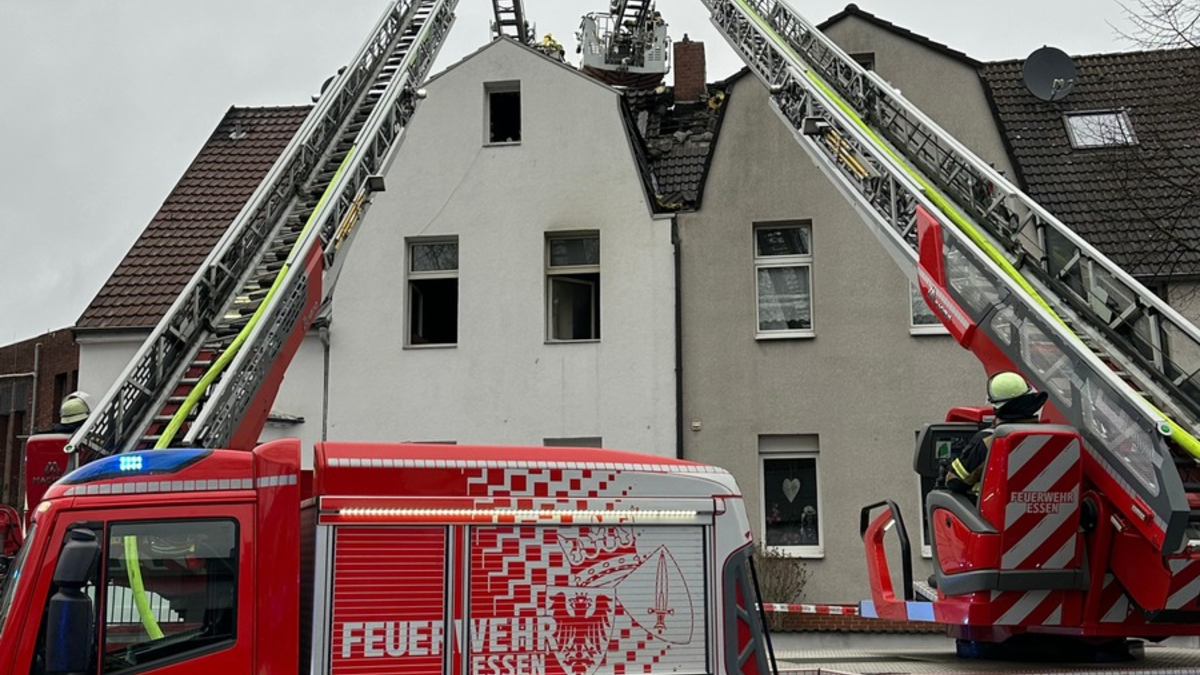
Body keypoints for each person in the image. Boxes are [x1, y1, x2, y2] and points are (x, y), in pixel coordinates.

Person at [945, 372, 1047, 497]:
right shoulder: (1050, 438)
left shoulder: (989, 440)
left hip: (994, 514)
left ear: (995, 405)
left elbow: (955, 482)